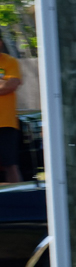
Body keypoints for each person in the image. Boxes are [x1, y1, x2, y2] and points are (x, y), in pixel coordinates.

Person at [0, 42, 22, 182]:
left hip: (5, 123)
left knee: (9, 164)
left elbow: (11, 84)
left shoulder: (10, 62)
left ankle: (18, 193)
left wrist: (6, 84)